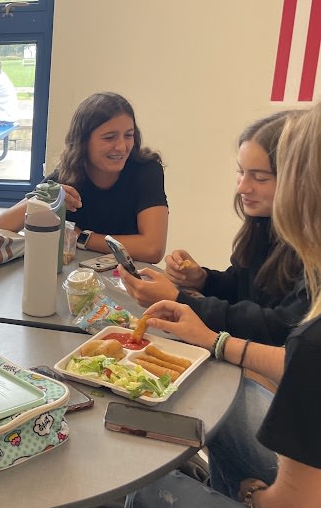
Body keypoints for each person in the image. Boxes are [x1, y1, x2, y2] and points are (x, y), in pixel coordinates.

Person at [119, 104, 321, 508]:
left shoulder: (311, 343)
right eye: (242, 173)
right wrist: (202, 285)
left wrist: (249, 495)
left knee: (146, 502)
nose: (244, 187)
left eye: (264, 176)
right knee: (229, 410)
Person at [120, 111, 307, 346]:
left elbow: (280, 326)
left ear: (299, 181)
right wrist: (202, 280)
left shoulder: (309, 248)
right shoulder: (263, 223)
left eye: (259, 178)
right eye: (241, 172)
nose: (242, 188)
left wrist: (181, 299)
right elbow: (243, 286)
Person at [0, 92, 168, 263]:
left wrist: (82, 238)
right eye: (109, 138)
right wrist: (43, 200)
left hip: (127, 283)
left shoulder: (146, 170)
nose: (122, 147)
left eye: (128, 135)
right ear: (83, 141)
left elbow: (153, 249)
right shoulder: (66, 177)